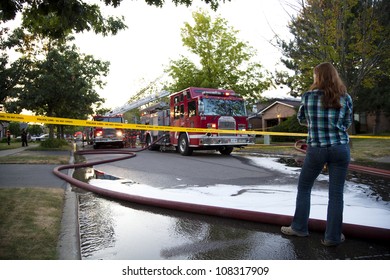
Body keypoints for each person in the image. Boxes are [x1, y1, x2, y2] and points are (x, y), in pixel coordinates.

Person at [281, 62, 353, 246]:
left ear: (317, 77)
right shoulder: (345, 97)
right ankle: (333, 237)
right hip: (340, 149)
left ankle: (299, 228)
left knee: (304, 187)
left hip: (317, 149)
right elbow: (347, 122)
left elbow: (301, 119)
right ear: (334, 76)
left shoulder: (308, 97)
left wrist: (316, 123)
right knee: (336, 194)